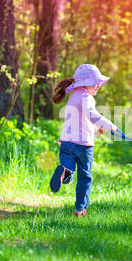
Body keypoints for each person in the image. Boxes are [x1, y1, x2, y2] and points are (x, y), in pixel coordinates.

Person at [49, 64, 117, 217]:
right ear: (87, 82)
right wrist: (108, 125)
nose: (98, 85)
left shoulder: (73, 96)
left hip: (67, 142)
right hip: (84, 146)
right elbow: (92, 115)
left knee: (68, 168)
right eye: (96, 82)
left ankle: (64, 173)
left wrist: (97, 129)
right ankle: (79, 209)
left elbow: (80, 121)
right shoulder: (87, 97)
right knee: (85, 178)